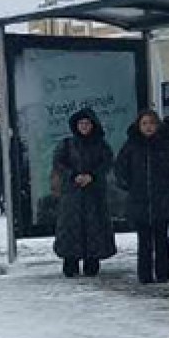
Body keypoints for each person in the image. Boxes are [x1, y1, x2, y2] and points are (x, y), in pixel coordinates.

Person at [115, 109, 169, 284]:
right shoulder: (131, 145)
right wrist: (128, 185)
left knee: (162, 238)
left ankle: (163, 274)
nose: (148, 127)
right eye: (144, 124)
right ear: (138, 126)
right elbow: (120, 168)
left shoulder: (167, 144)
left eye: (151, 123)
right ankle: (144, 275)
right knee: (144, 240)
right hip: (139, 200)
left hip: (162, 199)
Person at [53, 107, 117, 278]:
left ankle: (92, 262)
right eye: (80, 123)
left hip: (94, 194)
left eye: (87, 123)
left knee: (94, 228)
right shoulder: (67, 144)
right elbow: (59, 163)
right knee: (70, 229)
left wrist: (92, 176)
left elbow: (107, 163)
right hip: (72, 196)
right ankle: (70, 263)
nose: (84, 126)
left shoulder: (101, 145)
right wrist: (73, 176)